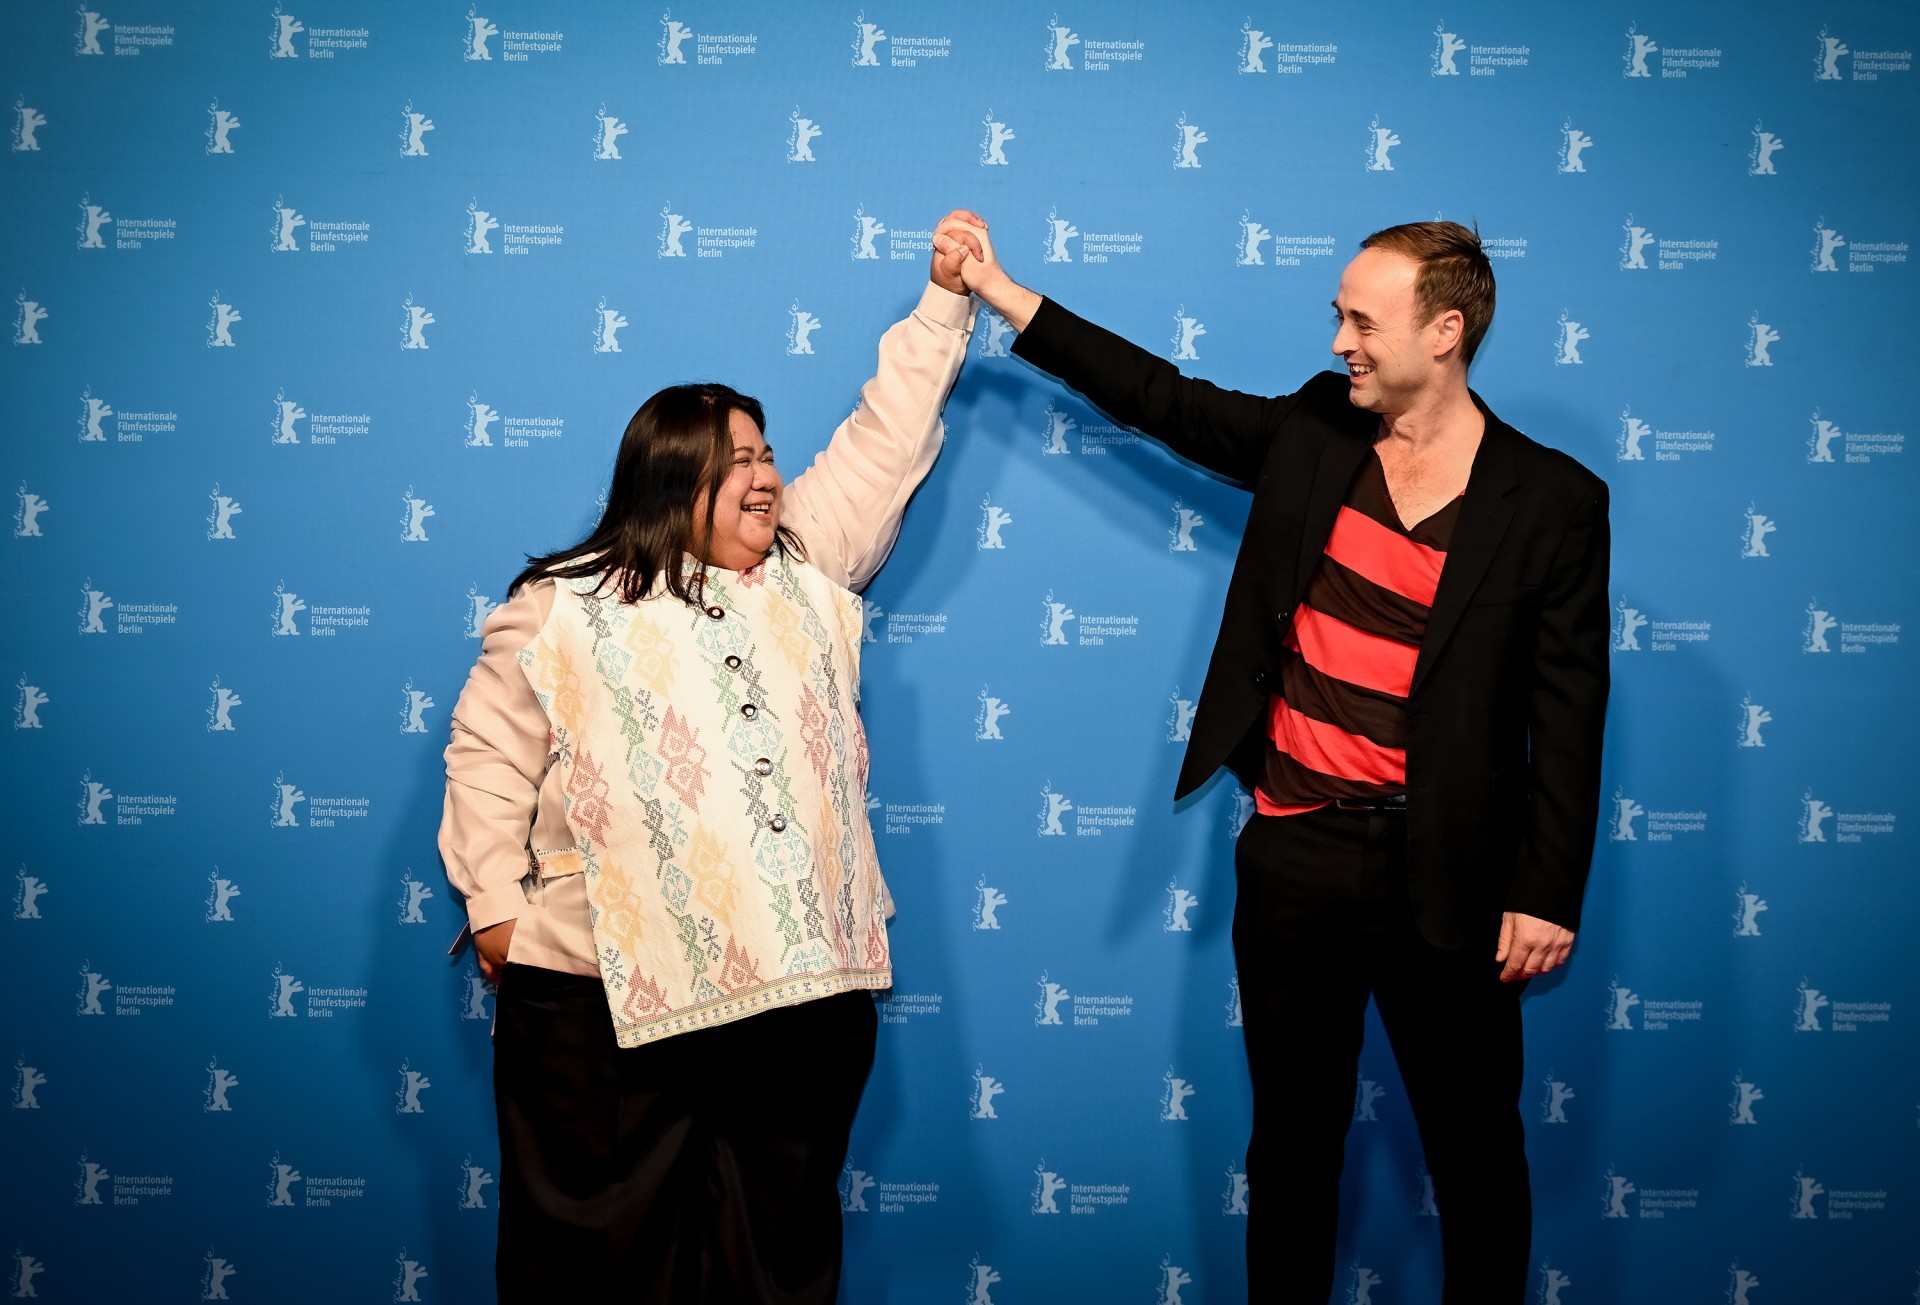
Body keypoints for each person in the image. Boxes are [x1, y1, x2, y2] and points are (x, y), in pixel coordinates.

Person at [935, 217, 1608, 1302]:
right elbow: (1163, 399)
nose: (1339, 337)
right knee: (1292, 1152)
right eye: (1338, 315)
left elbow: (1571, 708)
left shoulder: (1555, 501)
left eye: (1360, 319)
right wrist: (1008, 296)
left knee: (1478, 1158)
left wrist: (1546, 891)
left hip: (1455, 875)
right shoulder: (1315, 433)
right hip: (1296, 859)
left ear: (1445, 331)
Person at [440, 211, 981, 1303]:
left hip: (796, 1003)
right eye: (739, 459)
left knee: (771, 1261)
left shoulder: (809, 565)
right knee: (594, 1258)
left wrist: (942, 303)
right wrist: (496, 907)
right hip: (602, 1001)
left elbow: (883, 441)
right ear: (668, 479)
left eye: (768, 452)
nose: (766, 474)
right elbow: (487, 757)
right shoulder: (563, 606)